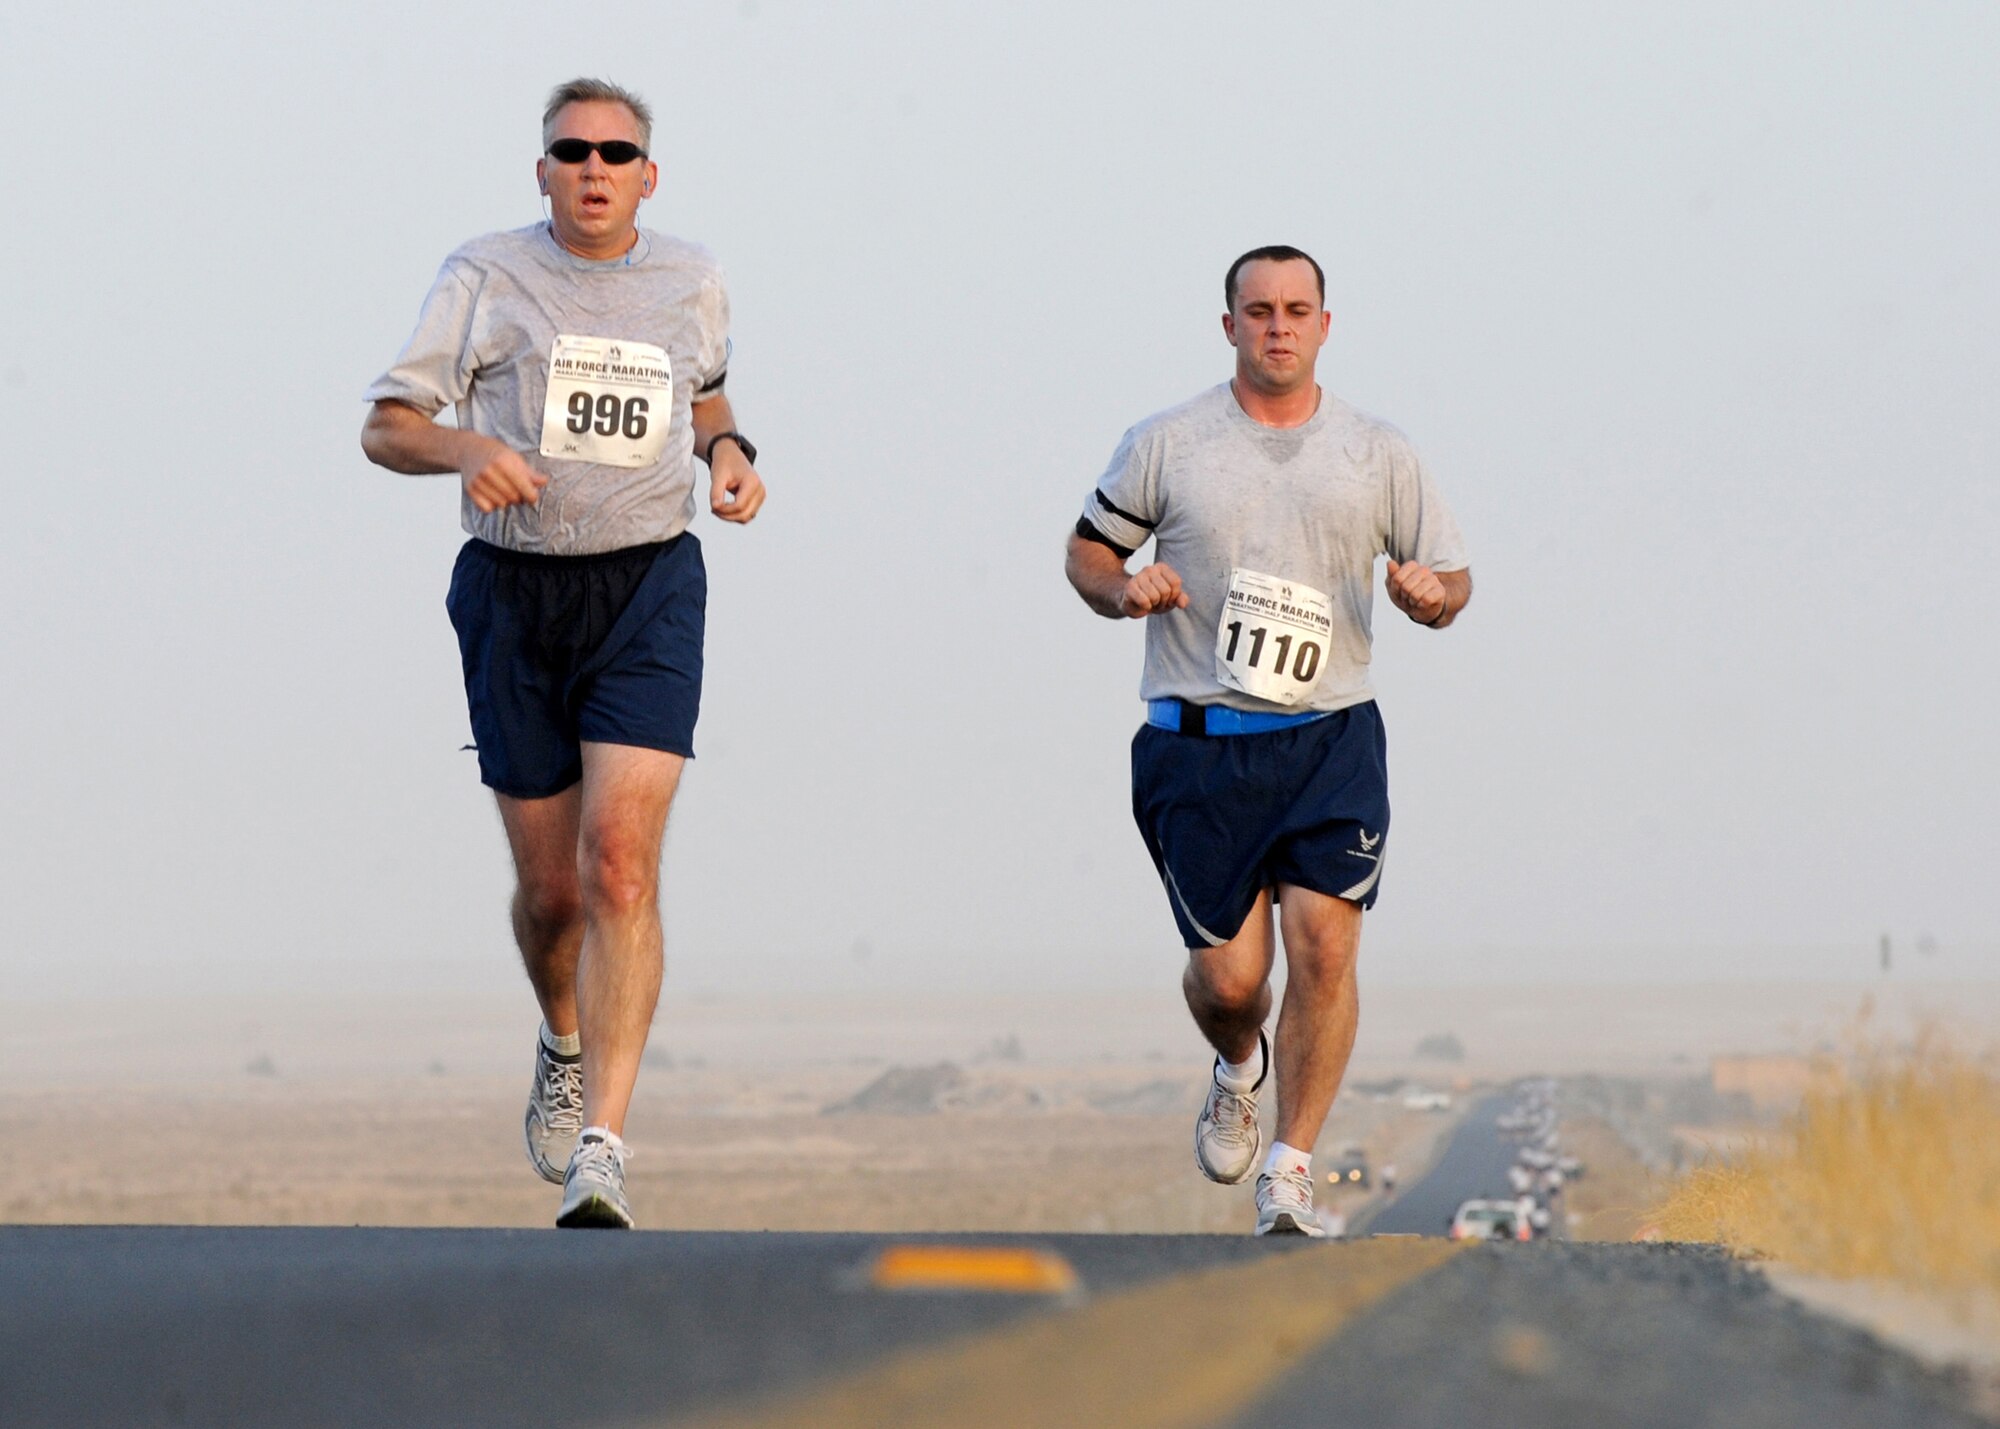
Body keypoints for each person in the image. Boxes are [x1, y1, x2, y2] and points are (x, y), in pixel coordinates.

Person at [360, 78, 766, 1229]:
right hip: (512, 594)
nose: (593, 168)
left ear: (649, 173)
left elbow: (709, 398)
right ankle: (561, 1032)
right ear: (541, 170)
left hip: (647, 584)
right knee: (550, 896)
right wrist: (463, 448)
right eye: (570, 151)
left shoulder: (690, 277)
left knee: (618, 864)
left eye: (616, 152)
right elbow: (385, 423)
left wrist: (729, 454)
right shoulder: (484, 275)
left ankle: (604, 1145)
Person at [1064, 245, 1469, 1236]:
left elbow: (1449, 578)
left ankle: (1288, 1169)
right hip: (1197, 744)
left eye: (1295, 309)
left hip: (1329, 738)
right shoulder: (1167, 441)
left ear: (1324, 324)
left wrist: (1429, 596)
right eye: (1257, 311)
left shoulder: (1378, 452)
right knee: (1230, 981)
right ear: (1228, 326)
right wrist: (1121, 588)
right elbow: (1086, 548)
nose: (1276, 326)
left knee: (1323, 949)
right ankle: (1236, 1063)